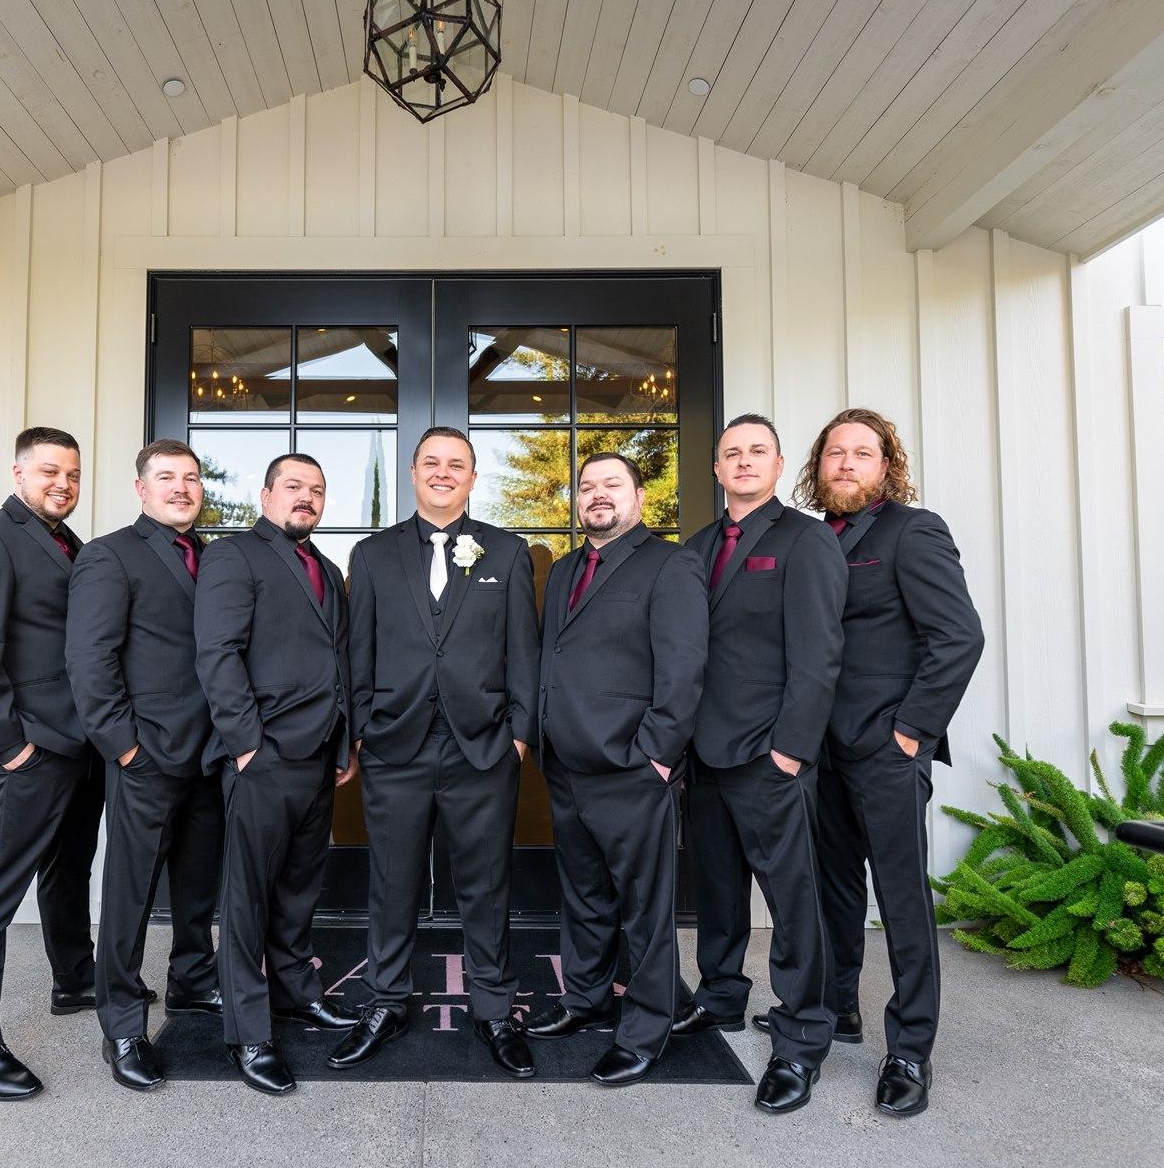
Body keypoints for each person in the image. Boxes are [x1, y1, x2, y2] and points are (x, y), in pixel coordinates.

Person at [330, 427, 540, 1078]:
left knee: (487, 885)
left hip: (484, 746)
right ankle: (387, 1001)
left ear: (473, 478)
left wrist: (519, 734)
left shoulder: (507, 551)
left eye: (456, 464)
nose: (443, 473)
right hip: (395, 745)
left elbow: (524, 651)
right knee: (390, 882)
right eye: (432, 463)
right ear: (414, 473)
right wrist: (359, 729)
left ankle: (495, 1010)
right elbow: (357, 651)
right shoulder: (371, 554)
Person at [792, 408, 984, 1118]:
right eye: (834, 452)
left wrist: (910, 732)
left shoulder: (914, 531)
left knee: (901, 898)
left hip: (885, 748)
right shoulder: (811, 538)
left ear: (886, 465)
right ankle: (839, 1006)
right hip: (818, 749)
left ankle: (910, 1047)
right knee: (833, 889)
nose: (846, 463)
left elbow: (959, 637)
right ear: (817, 466)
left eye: (862, 453)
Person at [674, 414, 846, 1114]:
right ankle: (720, 997)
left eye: (757, 452)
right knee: (717, 890)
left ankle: (801, 1035)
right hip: (704, 754)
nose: (743, 461)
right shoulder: (696, 547)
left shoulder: (805, 540)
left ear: (777, 466)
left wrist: (790, 750)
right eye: (731, 453)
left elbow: (820, 654)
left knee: (792, 901)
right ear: (716, 469)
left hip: (769, 754)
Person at [526, 452, 709, 1087]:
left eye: (612, 484)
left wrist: (656, 756)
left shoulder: (671, 564)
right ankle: (585, 998)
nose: (597, 495)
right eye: (587, 487)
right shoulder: (566, 568)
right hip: (566, 764)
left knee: (645, 909)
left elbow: (684, 668)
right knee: (584, 896)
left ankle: (648, 1028)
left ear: (639, 497)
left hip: (632, 765)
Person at [0, 426, 100, 1101]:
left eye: (73, 474)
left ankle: (76, 979)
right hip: (25, 748)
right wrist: (8, 746)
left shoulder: (71, 545)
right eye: (49, 472)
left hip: (80, 745)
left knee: (68, 871)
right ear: (18, 473)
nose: (63, 484)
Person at [193, 453, 359, 1095]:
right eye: (294, 486)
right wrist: (246, 746)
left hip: (318, 757)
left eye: (316, 489)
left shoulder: (328, 570)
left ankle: (295, 992)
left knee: (298, 888)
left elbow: (339, 661)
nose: (306, 497)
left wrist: (343, 742)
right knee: (247, 899)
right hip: (262, 756)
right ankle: (249, 1033)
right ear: (266, 495)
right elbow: (218, 652)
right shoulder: (234, 556)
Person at [66, 439, 225, 1093]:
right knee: (130, 897)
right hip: (146, 756)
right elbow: (90, 658)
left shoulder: (215, 559)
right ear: (141, 488)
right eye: (166, 477)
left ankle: (193, 980)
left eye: (191, 478)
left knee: (198, 885)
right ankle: (123, 1025)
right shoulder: (110, 555)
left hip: (211, 755)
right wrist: (124, 746)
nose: (181, 488)